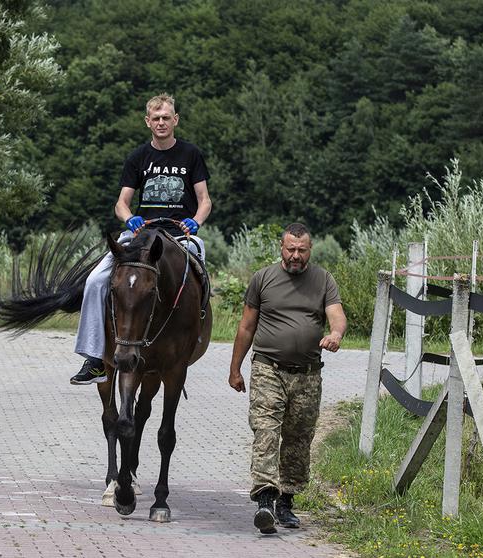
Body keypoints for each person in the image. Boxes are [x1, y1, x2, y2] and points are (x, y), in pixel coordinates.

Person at [70, 93, 212, 385]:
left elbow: (205, 200)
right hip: (140, 235)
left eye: (166, 117)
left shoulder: (191, 154)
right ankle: (95, 357)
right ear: (148, 122)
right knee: (95, 281)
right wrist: (128, 218)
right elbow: (121, 203)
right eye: (156, 118)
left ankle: (193, 333)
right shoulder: (137, 157)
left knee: (201, 271)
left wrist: (195, 221)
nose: (161, 122)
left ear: (175, 120)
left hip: (178, 235)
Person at [228, 223, 347, 534]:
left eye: (302, 250)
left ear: (309, 250)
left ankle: (286, 503)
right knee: (266, 431)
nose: (296, 255)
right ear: (281, 248)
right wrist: (234, 368)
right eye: (291, 249)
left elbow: (336, 314)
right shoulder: (262, 279)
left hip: (307, 375)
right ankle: (265, 500)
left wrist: (335, 334)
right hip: (268, 368)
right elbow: (245, 327)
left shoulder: (323, 279)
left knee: (297, 440)